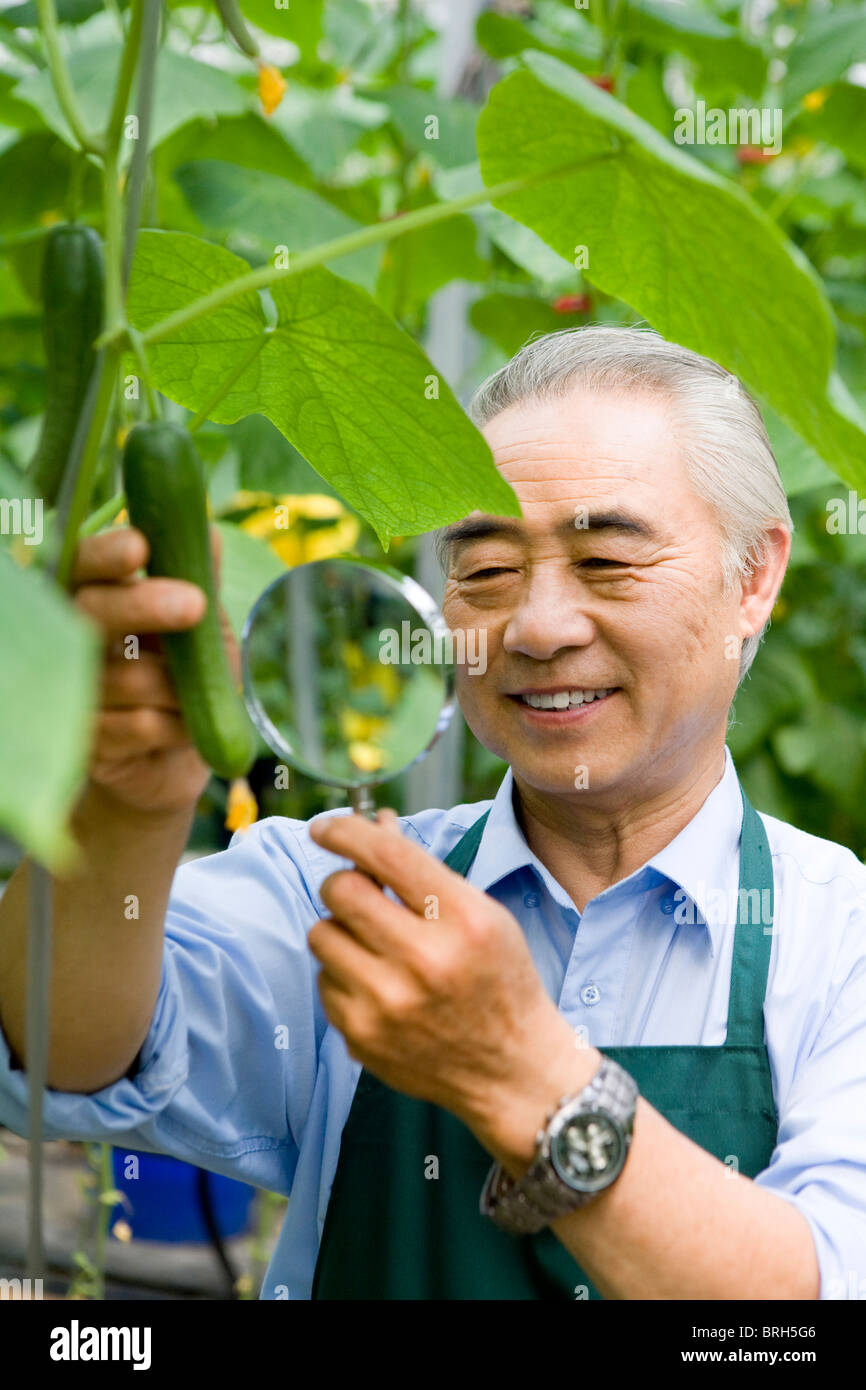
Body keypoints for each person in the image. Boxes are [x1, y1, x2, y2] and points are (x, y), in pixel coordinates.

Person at [1, 326, 864, 1300]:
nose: (536, 628)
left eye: (606, 561)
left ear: (752, 576)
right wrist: (124, 806)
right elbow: (55, 1049)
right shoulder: (330, 888)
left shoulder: (839, 940)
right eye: (485, 572)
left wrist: (516, 1073)